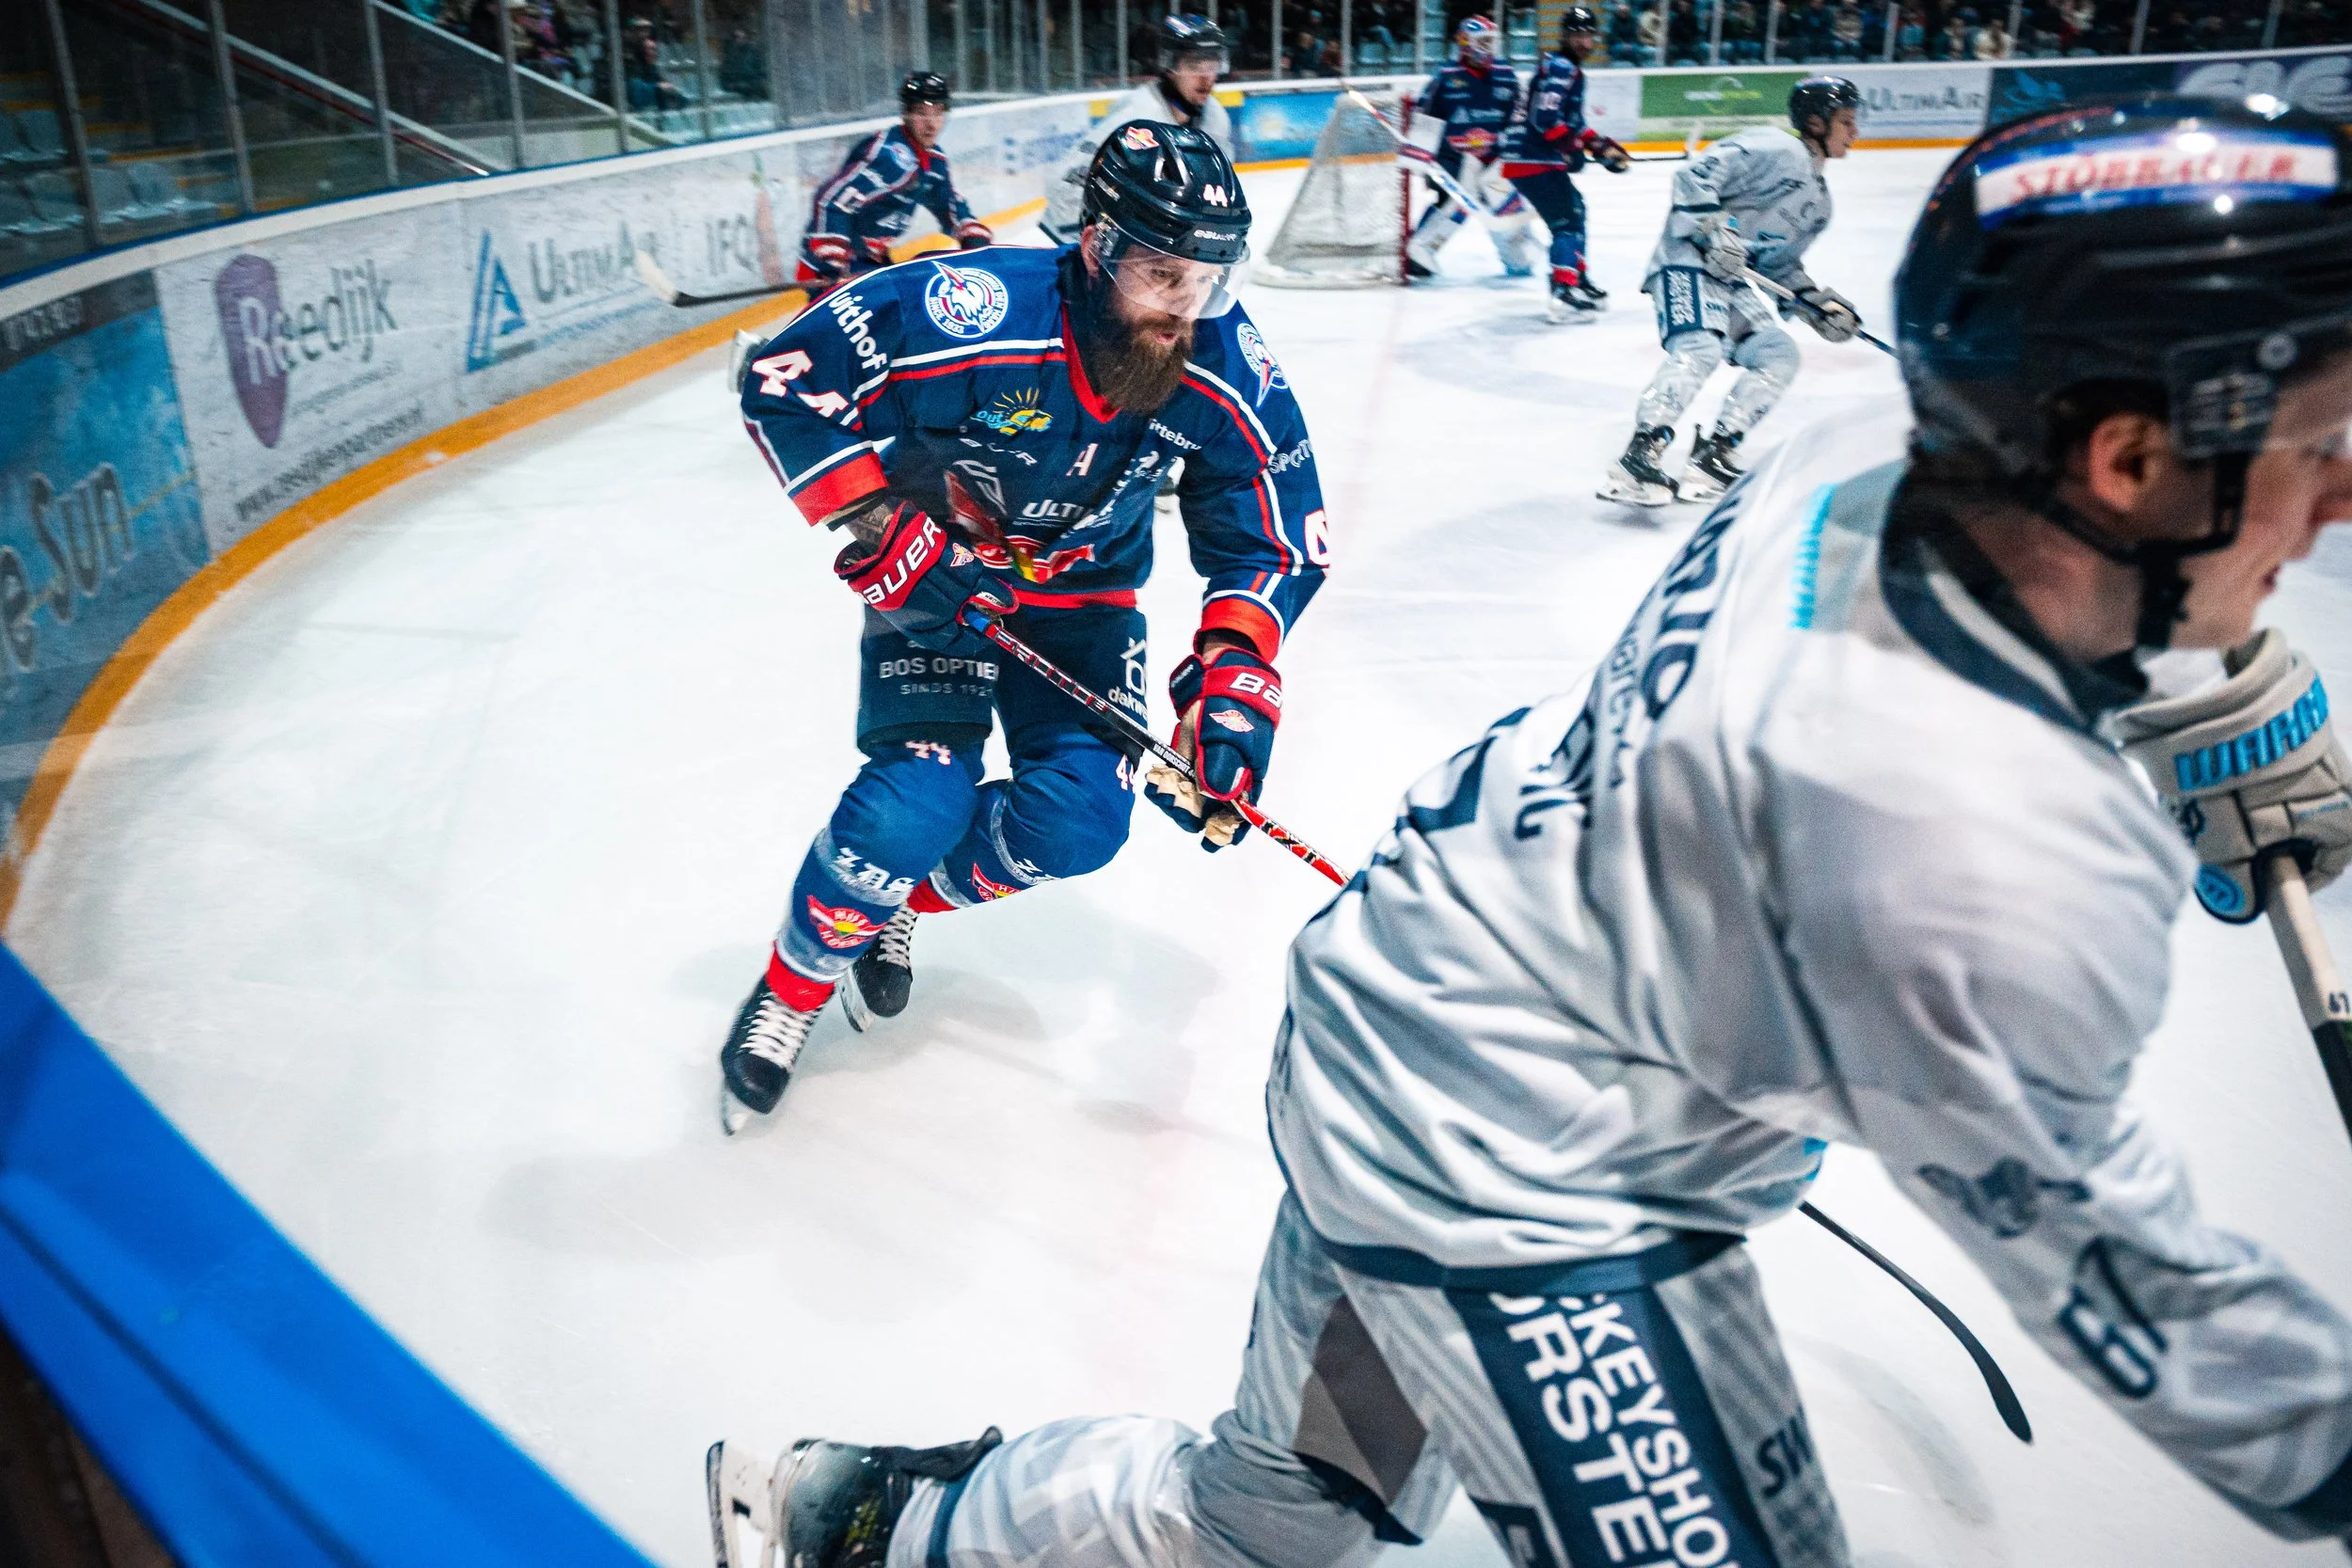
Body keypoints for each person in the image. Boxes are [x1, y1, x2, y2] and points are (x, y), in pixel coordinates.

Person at [706, 94, 2352, 1568]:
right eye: (2312, 446)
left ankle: (866, 1512)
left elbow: (1269, 535)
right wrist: (878, 529)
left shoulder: (1857, 456)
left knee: (1279, 1511)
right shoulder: (1973, 862)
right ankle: (823, 955)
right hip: (1523, 1183)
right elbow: (2143, 1288)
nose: (2340, 494)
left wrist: (1232, 707)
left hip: (1401, 1008)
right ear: (2125, 456)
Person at [718, 122, 1331, 1132]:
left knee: (1080, 824)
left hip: (1084, 608)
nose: (1183, 308)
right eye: (1160, 274)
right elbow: (785, 378)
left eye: (1206, 280)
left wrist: (1231, 680)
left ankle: (896, 905)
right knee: (911, 807)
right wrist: (881, 526)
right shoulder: (976, 308)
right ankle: (790, 990)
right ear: (1094, 248)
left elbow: (1270, 528)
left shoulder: (1222, 357)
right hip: (939, 589)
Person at [1598, 75, 1862, 507]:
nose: (1855, 133)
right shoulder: (1775, 148)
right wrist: (1712, 227)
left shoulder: (1819, 203)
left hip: (1728, 281)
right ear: (1816, 122)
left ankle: (1712, 455)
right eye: (1847, 122)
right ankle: (1638, 457)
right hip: (1686, 261)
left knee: (1778, 354)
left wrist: (1816, 305)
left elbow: (1777, 267)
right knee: (1699, 348)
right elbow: (1695, 174)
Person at [1042, 16, 1234, 245]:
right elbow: (1067, 183)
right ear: (1170, 66)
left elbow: (1218, 192)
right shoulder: (1137, 116)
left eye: (1212, 65)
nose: (1206, 78)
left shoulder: (1215, 119)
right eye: (1194, 65)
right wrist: (1087, 246)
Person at [1495, 6, 1633, 324]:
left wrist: (1598, 145)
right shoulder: (1562, 68)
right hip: (1532, 157)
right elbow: (1545, 120)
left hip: (1531, 155)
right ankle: (1564, 291)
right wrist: (1572, 147)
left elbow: (1573, 122)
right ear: (1566, 36)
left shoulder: (1564, 67)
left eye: (1589, 36)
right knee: (1566, 221)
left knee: (1575, 209)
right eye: (1578, 35)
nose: (1584, 42)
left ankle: (1577, 280)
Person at [796, 72, 993, 291]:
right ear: (906, 114)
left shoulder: (933, 160)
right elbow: (832, 200)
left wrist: (976, 242)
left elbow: (951, 206)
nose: (931, 124)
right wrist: (831, 263)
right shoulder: (891, 155)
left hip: (869, 258)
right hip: (831, 262)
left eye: (938, 113)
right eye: (921, 113)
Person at [1404, 16, 1536, 280]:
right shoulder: (1445, 78)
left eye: (1492, 42)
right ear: (1466, 42)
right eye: (1483, 42)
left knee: (1508, 210)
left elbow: (1519, 117)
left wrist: (1513, 148)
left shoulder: (1505, 76)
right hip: (1454, 156)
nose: (1489, 48)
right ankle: (1419, 251)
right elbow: (1425, 120)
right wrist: (1422, 163)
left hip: (1495, 158)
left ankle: (1518, 258)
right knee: (1459, 199)